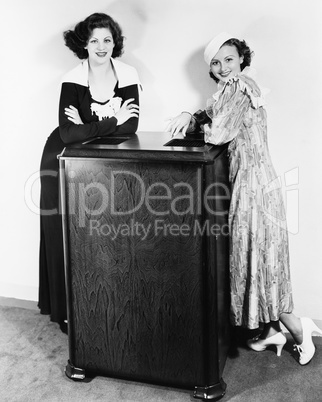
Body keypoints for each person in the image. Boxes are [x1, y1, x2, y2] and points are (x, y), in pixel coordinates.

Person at [166, 32, 322, 365]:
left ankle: (299, 329)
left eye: (229, 59)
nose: (223, 67)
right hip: (247, 184)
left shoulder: (239, 87)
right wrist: (191, 114)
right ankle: (269, 332)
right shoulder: (225, 91)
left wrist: (193, 122)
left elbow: (219, 132)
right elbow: (210, 114)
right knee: (252, 258)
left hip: (255, 187)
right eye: (216, 62)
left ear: (241, 60)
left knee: (263, 263)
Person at [39, 13, 140, 332]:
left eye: (107, 39)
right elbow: (68, 135)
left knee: (104, 234)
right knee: (65, 233)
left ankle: (102, 308)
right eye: (94, 39)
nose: (101, 46)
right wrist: (111, 121)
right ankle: (67, 313)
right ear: (84, 43)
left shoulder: (128, 73)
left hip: (102, 160)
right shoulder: (72, 77)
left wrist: (87, 127)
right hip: (61, 159)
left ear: (115, 42)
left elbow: (132, 126)